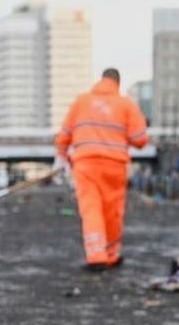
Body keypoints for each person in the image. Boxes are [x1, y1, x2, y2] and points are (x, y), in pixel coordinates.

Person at [54, 68, 149, 270]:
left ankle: (97, 256)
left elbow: (64, 134)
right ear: (118, 83)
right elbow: (140, 139)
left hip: (86, 165)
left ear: (101, 80)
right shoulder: (126, 104)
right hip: (115, 166)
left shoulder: (81, 102)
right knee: (113, 212)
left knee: (91, 210)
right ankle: (112, 254)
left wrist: (62, 156)